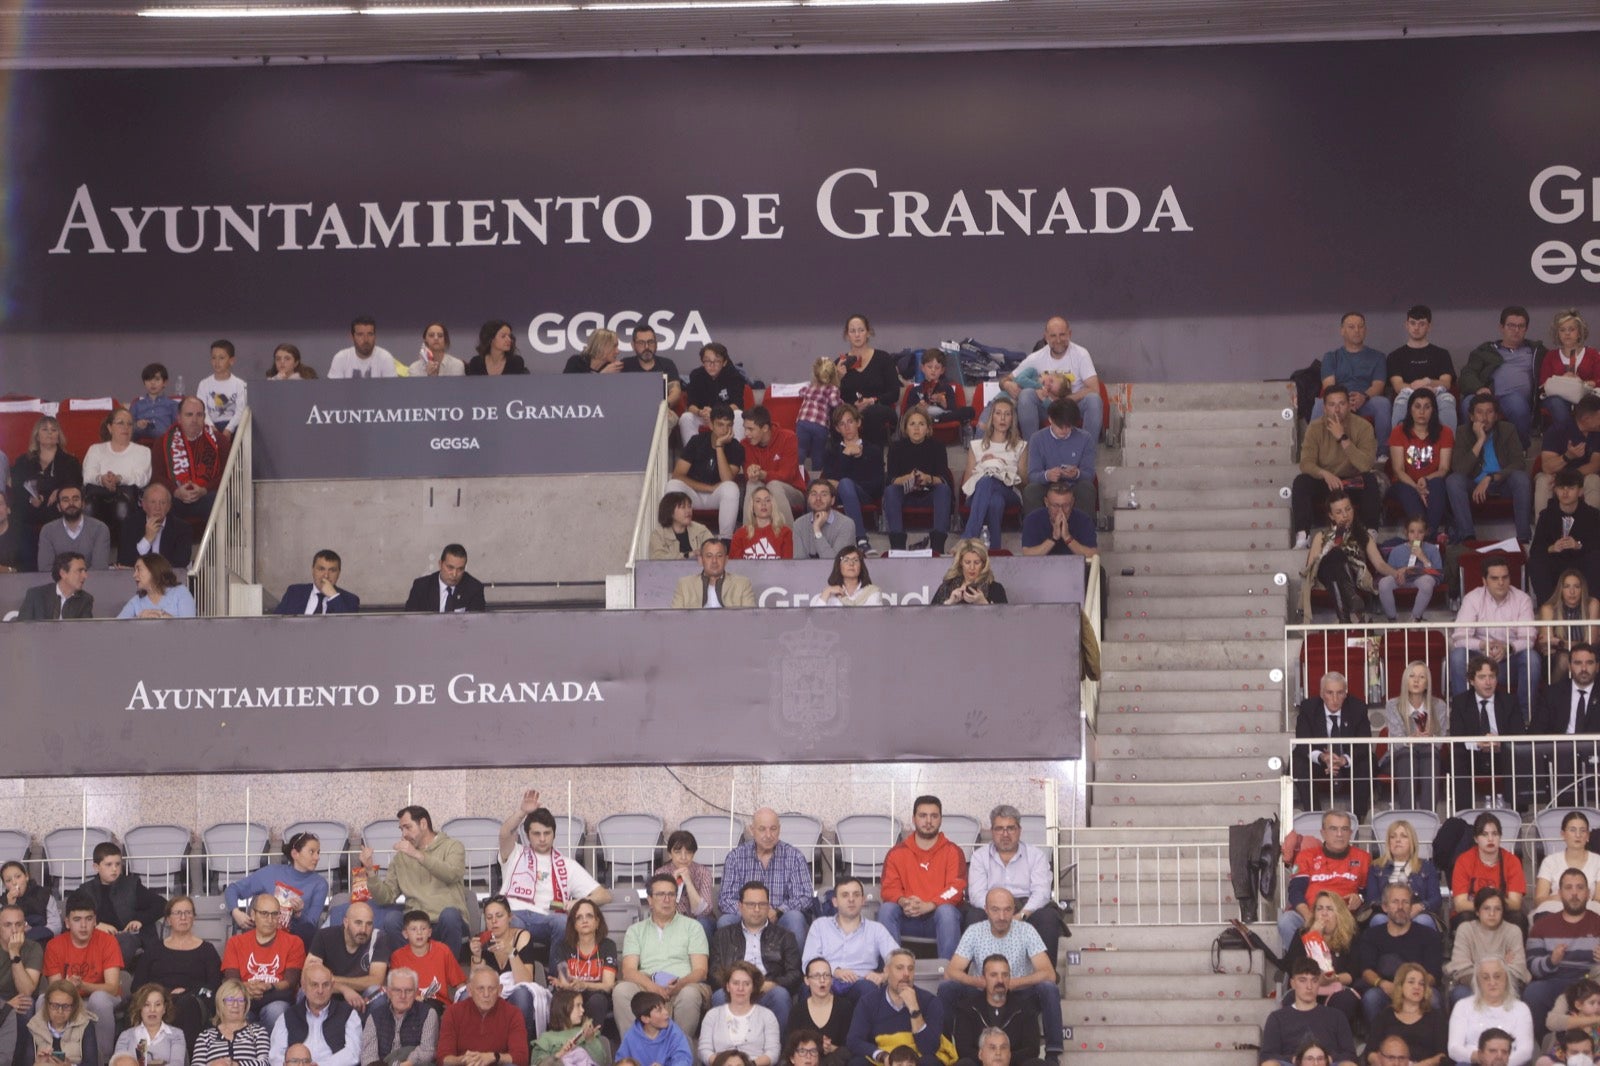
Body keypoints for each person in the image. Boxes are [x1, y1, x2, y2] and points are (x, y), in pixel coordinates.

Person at [935, 890, 1060, 1064]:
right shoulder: (975, 931)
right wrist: (979, 981)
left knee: (1049, 988)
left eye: (1007, 910)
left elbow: (1049, 973)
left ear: (1014, 909)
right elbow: (951, 971)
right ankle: (944, 1051)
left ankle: (1053, 1056)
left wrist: (1014, 983)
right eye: (995, 910)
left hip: (1018, 992)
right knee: (947, 988)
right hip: (982, 991)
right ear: (986, 909)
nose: (1002, 916)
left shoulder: (1026, 930)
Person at [498, 789, 611, 946]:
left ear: (554, 834)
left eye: (547, 833)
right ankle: (519, 963)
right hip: (514, 913)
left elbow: (604, 895)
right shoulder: (514, 853)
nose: (542, 838)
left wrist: (579, 902)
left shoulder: (567, 864)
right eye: (536, 834)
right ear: (527, 835)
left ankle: (556, 963)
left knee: (563, 922)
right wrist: (522, 812)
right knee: (510, 922)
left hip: (546, 918)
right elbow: (504, 833)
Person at [358, 806, 470, 956]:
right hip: (415, 924)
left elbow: (452, 874)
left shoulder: (453, 846)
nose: (404, 834)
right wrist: (370, 871)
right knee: (392, 919)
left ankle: (448, 968)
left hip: (445, 922)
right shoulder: (401, 857)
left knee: (450, 915)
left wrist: (417, 855)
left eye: (408, 827)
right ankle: (409, 966)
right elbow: (386, 897)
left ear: (423, 824)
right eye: (401, 829)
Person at [614, 874, 711, 1037]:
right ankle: (636, 1047)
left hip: (683, 983)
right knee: (621, 990)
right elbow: (628, 971)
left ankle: (678, 1048)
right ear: (650, 900)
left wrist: (679, 985)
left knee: (690, 994)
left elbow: (701, 971)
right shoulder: (636, 930)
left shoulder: (693, 927)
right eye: (660, 894)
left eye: (671, 894)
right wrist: (653, 987)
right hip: (647, 984)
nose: (667, 899)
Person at [1448, 558, 1540, 725]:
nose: (1501, 582)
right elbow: (1459, 637)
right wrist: (1483, 646)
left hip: (1509, 661)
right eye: (1495, 578)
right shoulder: (1472, 598)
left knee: (1531, 658)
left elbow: (1529, 638)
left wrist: (1508, 648)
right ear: (1484, 581)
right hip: (1479, 659)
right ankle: (1464, 717)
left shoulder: (1522, 599)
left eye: (1505, 577)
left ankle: (1524, 720)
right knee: (1458, 656)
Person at [965, 805, 1063, 962]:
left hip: (1027, 908)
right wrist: (998, 913)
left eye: (1010, 828)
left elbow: (1042, 893)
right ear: (992, 831)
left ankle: (1046, 974)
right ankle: (981, 972)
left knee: (1048, 917)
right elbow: (977, 895)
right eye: (999, 829)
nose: (1005, 834)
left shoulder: (1036, 855)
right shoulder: (979, 857)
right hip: (991, 908)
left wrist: (1021, 915)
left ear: (1019, 830)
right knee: (973, 916)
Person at [999, 316, 1102, 463]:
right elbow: (1005, 379)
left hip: (1072, 406)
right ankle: (1032, 456)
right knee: (1027, 394)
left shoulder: (1081, 354)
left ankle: (1087, 458)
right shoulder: (1036, 357)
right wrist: (1007, 384)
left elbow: (1094, 388)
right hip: (1046, 408)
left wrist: (1063, 400)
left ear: (1070, 334)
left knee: (1094, 399)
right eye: (1053, 336)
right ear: (1046, 337)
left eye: (1062, 335)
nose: (1058, 340)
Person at [877, 796, 966, 961]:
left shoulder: (953, 851)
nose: (928, 821)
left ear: (941, 819)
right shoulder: (897, 853)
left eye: (934, 816)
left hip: (938, 919)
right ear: (913, 819)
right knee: (887, 910)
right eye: (923, 815)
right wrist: (903, 901)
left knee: (946, 912)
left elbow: (955, 888)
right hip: (907, 917)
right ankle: (892, 968)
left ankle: (949, 973)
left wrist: (930, 905)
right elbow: (889, 888)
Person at [1292, 386, 1380, 549]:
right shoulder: (1315, 427)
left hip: (1351, 481)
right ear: (1325, 408)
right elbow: (1306, 463)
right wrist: (1324, 474)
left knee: (1370, 480)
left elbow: (1366, 464)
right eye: (1332, 405)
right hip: (1326, 481)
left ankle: (1370, 533)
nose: (1337, 410)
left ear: (1349, 405)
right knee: (1301, 482)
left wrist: (1343, 438)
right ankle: (1303, 535)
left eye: (1341, 404)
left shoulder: (1363, 427)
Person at [1276, 811, 1370, 960]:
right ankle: (1300, 967)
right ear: (1323, 833)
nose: (1339, 834)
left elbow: (1367, 894)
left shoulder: (1363, 857)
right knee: (1286, 921)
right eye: (1333, 829)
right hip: (1310, 914)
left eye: (1344, 829)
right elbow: (1295, 891)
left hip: (1345, 918)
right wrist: (1309, 917)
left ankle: (1343, 968)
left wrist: (1359, 898)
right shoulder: (1306, 856)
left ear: (1351, 833)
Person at [707, 884, 800, 1029]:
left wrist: (773, 984)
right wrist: (736, 985)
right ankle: (728, 1043)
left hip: (768, 989)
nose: (757, 909)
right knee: (720, 996)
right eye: (751, 904)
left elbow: (795, 974)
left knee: (781, 995)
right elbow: (714, 973)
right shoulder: (723, 935)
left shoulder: (785, 936)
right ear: (740, 906)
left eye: (762, 904)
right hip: (735, 989)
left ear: (768, 906)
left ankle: (779, 1044)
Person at [1522, 869, 1600, 1041]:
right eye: (1568, 888)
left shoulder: (1598, 922)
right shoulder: (1542, 925)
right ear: (1560, 893)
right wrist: (1551, 961)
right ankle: (1546, 1044)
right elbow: (1532, 966)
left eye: (1580, 887)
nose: (1574, 893)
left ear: (1588, 893)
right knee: (1533, 992)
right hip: (1555, 981)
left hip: (1591, 982)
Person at [1445, 394, 1533, 545]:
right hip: (1473, 484)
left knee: (1521, 478)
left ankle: (1523, 538)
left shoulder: (1508, 429)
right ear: (1471, 417)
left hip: (1502, 483)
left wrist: (1490, 478)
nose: (1484, 418)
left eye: (1489, 412)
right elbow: (1459, 469)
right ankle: (1468, 537)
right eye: (1479, 412)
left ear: (1496, 416)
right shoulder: (1462, 432)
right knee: (1453, 480)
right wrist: (1480, 440)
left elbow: (1519, 463)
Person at [43, 893, 123, 1061]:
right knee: (42, 1000)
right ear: (67, 922)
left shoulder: (108, 941)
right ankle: (47, 1058)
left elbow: (112, 987)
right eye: (77, 919)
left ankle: (103, 1060)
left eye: (89, 919)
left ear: (95, 921)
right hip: (69, 999)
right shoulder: (54, 945)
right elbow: (55, 989)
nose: (84, 926)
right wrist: (68, 987)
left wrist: (83, 986)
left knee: (99, 999)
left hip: (102, 998)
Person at [717, 811, 815, 943]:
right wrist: (752, 912)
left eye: (773, 829)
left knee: (795, 919)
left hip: (781, 918)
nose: (768, 835)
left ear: (779, 829)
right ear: (752, 830)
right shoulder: (735, 857)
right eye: (762, 829)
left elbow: (805, 897)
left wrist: (779, 911)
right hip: (745, 918)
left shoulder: (794, 856)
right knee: (725, 921)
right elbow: (725, 899)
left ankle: (794, 958)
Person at [1304, 489, 1398, 625]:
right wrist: (1328, 549)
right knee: (1335, 555)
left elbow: (1379, 564)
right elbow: (1311, 567)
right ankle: (1352, 596)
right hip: (1324, 576)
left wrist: (1397, 573)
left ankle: (1344, 619)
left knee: (1336, 572)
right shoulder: (1321, 536)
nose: (1345, 515)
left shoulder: (1364, 535)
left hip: (1353, 574)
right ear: (1331, 516)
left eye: (1348, 509)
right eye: (1339, 512)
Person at [1355, 884, 1443, 1025]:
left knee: (1434, 999)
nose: (1400, 907)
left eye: (1405, 902)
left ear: (1411, 907)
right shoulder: (1371, 935)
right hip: (1385, 989)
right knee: (1372, 998)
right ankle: (1376, 1037)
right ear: (1385, 907)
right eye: (1395, 902)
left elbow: (1433, 974)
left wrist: (1411, 988)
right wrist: (1382, 984)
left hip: (1418, 987)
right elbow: (1366, 971)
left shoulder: (1429, 936)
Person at [225, 832, 330, 949]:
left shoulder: (320, 884)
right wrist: (236, 912)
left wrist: (299, 914)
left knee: (307, 931)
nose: (317, 857)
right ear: (295, 854)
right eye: (311, 852)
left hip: (294, 941)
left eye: (318, 852)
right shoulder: (271, 872)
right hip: (263, 935)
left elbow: (311, 924)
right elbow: (232, 889)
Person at [1292, 672, 1375, 817]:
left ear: (1345, 694)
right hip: (1320, 763)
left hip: (1348, 762)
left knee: (1367, 762)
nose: (1335, 699)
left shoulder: (1358, 707)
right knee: (1298, 762)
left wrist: (1344, 760)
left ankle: (1358, 818)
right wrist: (1323, 757)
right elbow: (1302, 743)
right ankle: (1314, 815)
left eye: (1340, 693)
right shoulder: (1308, 708)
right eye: (1330, 693)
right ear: (1321, 693)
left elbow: (1364, 744)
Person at [801, 877, 898, 1001]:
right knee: (808, 987)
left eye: (856, 895)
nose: (851, 899)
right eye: (845, 895)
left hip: (861, 983)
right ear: (835, 902)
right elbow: (809, 961)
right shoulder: (820, 926)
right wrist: (834, 971)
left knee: (869, 988)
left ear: (863, 900)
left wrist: (883, 976)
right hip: (827, 980)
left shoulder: (876, 929)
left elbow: (898, 959)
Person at [844, 948, 944, 1066]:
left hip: (916, 1060)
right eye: (899, 968)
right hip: (882, 1060)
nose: (906, 974)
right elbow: (854, 1041)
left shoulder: (930, 1001)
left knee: (931, 1062)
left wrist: (914, 1009)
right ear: (886, 971)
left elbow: (930, 1048)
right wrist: (882, 1056)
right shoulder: (868, 1002)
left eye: (910, 969)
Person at [1312, 312, 1393, 459]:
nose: (1357, 330)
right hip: (1339, 401)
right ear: (1342, 330)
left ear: (1365, 330)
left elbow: (1378, 385)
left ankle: (1382, 454)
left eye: (1360, 327)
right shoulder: (1331, 357)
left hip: (1366, 400)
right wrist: (1344, 402)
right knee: (1319, 405)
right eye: (1351, 327)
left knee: (1383, 403)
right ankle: (1314, 452)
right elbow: (1329, 386)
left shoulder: (1378, 357)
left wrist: (1364, 396)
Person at [9, 415, 83, 573]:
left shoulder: (70, 462)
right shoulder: (23, 461)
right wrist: (31, 498)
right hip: (29, 509)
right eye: (45, 429)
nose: (50, 433)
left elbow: (75, 486)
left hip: (56, 509)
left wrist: (60, 491)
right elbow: (17, 488)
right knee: (17, 513)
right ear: (37, 436)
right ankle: (27, 569)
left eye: (53, 430)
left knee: (66, 506)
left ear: (59, 435)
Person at [1462, 306, 1544, 447]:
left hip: (1515, 398)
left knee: (1517, 405)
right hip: (1487, 395)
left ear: (1526, 329)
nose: (1516, 330)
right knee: (1467, 403)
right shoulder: (1485, 351)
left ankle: (1520, 450)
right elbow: (1467, 373)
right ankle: (1471, 450)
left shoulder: (1536, 351)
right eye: (1511, 325)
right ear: (1501, 327)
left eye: (1521, 326)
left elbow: (1555, 364)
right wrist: (1478, 388)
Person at [222, 892, 305, 1031]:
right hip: (244, 997)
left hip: (276, 998)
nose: (270, 919)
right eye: (264, 913)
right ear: (253, 914)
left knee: (276, 1010)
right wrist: (248, 987)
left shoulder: (294, 942)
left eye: (275, 914)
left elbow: (290, 982)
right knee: (235, 1009)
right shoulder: (235, 943)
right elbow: (232, 981)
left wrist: (268, 986)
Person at [467, 897, 546, 1042]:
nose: (494, 921)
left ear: (510, 917)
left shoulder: (522, 936)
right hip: (491, 993)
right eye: (489, 917)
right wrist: (476, 956)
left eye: (499, 916)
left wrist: (511, 952)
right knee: (466, 996)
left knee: (522, 994)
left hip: (516, 992)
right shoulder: (481, 940)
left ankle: (520, 1047)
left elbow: (525, 981)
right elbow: (476, 981)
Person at [1257, 958, 1359, 1066]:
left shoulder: (1337, 1016)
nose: (1309, 986)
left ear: (1319, 983)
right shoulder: (1277, 1018)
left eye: (1314, 981)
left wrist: (1326, 1059)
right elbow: (1267, 1056)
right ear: (1293, 983)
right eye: (1303, 980)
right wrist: (1298, 1059)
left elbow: (1351, 1055)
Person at [665, 404, 745, 540]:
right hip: (694, 494)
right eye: (720, 425)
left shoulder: (736, 447)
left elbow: (727, 480)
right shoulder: (696, 441)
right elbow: (677, 475)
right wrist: (708, 488)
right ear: (711, 425)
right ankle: (677, 537)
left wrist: (719, 446)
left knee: (731, 488)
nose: (725, 430)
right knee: (672, 485)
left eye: (729, 425)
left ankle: (725, 540)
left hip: (717, 496)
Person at [1530, 644, 1600, 796]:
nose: (1583, 668)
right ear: (1569, 666)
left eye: (1589, 663)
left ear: (1597, 666)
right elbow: (1536, 731)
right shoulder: (1552, 693)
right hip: (1559, 758)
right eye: (1578, 663)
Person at [79, 842, 165, 966]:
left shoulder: (131, 885)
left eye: (118, 864)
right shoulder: (86, 890)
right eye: (109, 864)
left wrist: (139, 920)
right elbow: (73, 917)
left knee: (126, 941)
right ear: (96, 867)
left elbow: (161, 904)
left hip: (125, 938)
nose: (114, 869)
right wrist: (95, 925)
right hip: (97, 938)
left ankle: (109, 971)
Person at [959, 397, 1027, 551]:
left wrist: (1001, 466)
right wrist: (985, 467)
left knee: (988, 482)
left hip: (1010, 492)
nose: (1002, 418)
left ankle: (968, 538)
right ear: (992, 417)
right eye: (998, 413)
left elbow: (1024, 484)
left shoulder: (1021, 446)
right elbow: (966, 484)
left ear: (1012, 419)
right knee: (995, 501)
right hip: (978, 494)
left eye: (1007, 414)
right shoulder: (976, 445)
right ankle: (995, 550)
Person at [1379, 666, 1450, 811]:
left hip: (1427, 756)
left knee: (1429, 753)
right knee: (1408, 755)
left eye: (1421, 677)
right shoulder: (1393, 705)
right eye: (1412, 676)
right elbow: (1397, 743)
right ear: (1405, 680)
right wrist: (1412, 739)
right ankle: (1408, 814)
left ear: (1427, 683)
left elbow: (1439, 743)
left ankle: (1429, 815)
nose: (1416, 680)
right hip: (1398, 757)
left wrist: (1429, 738)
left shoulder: (1439, 706)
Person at [946, 957, 1039, 1066]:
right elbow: (963, 1049)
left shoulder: (1025, 1008)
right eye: (994, 975)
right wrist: (989, 1059)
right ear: (984, 978)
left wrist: (1003, 1058)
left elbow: (1032, 1049)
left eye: (1005, 975)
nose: (1000, 980)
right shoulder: (967, 1008)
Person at [1387, 389, 1454, 540]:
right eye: (1417, 406)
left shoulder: (1445, 432)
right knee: (1408, 492)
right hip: (1404, 483)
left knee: (1437, 483)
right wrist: (1416, 487)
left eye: (1427, 407)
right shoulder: (1398, 431)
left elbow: (1444, 469)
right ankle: (1427, 538)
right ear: (1410, 409)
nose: (1421, 412)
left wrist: (1425, 479)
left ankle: (1427, 536)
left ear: (1433, 410)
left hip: (1431, 482)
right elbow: (1398, 470)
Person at [882, 408, 950, 554]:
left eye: (921, 424)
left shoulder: (938, 447)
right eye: (912, 424)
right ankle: (898, 547)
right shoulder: (896, 448)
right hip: (905, 495)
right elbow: (890, 480)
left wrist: (928, 478)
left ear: (928, 428)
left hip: (929, 495)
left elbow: (944, 479)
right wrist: (907, 479)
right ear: (906, 428)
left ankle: (938, 547)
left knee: (943, 490)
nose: (917, 428)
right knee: (891, 491)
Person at [1445, 889, 1529, 1006]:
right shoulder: (1465, 929)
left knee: (1516, 993)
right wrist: (1502, 967)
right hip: (1472, 986)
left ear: (1503, 912)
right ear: (1477, 911)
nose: (1492, 914)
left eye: (1497, 909)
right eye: (1486, 908)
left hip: (1505, 987)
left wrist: (1479, 969)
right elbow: (1461, 970)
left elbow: (1518, 971)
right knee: (1460, 993)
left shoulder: (1513, 931)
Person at [81, 407, 151, 545]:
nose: (126, 427)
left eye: (129, 424)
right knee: (88, 506)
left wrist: (119, 479)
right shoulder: (96, 449)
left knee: (121, 505)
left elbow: (142, 479)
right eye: (120, 423)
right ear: (110, 427)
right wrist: (102, 479)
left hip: (128, 497)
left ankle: (124, 554)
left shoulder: (143, 451)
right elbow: (88, 475)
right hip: (97, 494)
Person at [1530, 468, 1600, 604]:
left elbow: (1596, 544)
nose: (1565, 492)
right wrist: (1552, 548)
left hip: (1581, 562)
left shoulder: (1593, 515)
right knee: (1536, 562)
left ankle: (1592, 607)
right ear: (1555, 490)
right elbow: (1536, 549)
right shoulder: (1546, 515)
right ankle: (1547, 608)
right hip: (1556, 562)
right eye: (1561, 487)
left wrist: (1578, 545)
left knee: (1596, 559)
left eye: (1571, 488)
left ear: (1580, 491)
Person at [547, 898, 617, 1033]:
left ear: (597, 922)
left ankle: (591, 1039)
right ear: (574, 924)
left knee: (598, 1000)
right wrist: (564, 984)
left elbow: (608, 985)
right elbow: (566, 982)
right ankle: (565, 1040)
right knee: (565, 999)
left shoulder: (608, 946)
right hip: (572, 994)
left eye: (589, 916)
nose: (584, 920)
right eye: (579, 917)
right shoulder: (563, 947)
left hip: (597, 995)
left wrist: (584, 984)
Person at [157, 397, 230, 526]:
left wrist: (205, 490)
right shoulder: (163, 442)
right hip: (175, 498)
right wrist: (176, 491)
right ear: (179, 418)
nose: (194, 420)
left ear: (204, 417)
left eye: (199, 415)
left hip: (207, 496)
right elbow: (157, 476)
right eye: (189, 415)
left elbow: (228, 474)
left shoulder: (219, 441)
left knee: (219, 500)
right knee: (160, 499)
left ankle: (218, 540)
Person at [822, 404, 884, 554]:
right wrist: (846, 455)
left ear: (858, 422)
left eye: (850, 421)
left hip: (865, 495)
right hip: (837, 497)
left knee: (845, 484)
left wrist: (849, 485)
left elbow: (878, 485)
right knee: (820, 488)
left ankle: (861, 539)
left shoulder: (873, 450)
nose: (847, 427)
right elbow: (828, 482)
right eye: (842, 424)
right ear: (837, 429)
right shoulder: (832, 452)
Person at [1447, 959, 1533, 1066]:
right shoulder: (1462, 1006)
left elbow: (1525, 1051)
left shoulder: (1521, 1009)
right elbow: (1454, 1048)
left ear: (1506, 978)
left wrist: (1499, 1062)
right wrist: (1481, 1058)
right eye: (1485, 978)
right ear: (1478, 981)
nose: (1492, 982)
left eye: (1497, 976)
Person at [439, 965, 529, 1066]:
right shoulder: (453, 1012)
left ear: (499, 990)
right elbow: (443, 1059)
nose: (486, 994)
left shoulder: (513, 1014)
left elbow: (521, 1058)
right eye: (480, 989)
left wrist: (493, 1057)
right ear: (469, 990)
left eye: (491, 989)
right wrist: (463, 1060)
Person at [305, 900, 385, 1012]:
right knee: (304, 992)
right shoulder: (324, 936)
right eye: (358, 923)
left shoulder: (379, 938)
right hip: (328, 995)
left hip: (362, 1000)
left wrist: (332, 980)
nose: (363, 930)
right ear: (346, 922)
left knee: (376, 991)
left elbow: (376, 981)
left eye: (369, 924)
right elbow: (307, 976)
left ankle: (369, 1024)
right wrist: (343, 989)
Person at [834, 316, 901, 447]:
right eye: (852, 331)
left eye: (861, 330)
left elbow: (894, 393)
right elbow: (834, 398)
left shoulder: (883, 358)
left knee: (872, 413)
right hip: (851, 411)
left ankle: (873, 456)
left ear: (868, 332)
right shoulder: (840, 363)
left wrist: (871, 401)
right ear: (847, 335)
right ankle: (843, 454)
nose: (857, 335)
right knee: (839, 416)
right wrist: (838, 379)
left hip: (879, 408)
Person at [1364, 820, 1443, 931]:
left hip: (1417, 913)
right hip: (1387, 913)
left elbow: (1436, 899)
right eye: (1393, 837)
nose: (1398, 840)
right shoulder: (1376, 867)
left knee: (1423, 921)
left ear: (1412, 841)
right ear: (1388, 842)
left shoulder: (1426, 866)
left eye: (1404, 836)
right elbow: (1372, 899)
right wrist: (1392, 909)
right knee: (1378, 920)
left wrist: (1420, 906)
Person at [698, 962, 780, 1066]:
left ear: (753, 987)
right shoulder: (712, 1015)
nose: (740, 988)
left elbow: (773, 1053)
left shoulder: (767, 1016)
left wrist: (749, 1064)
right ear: (728, 986)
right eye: (735, 983)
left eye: (746, 984)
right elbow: (704, 1050)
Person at [1021, 399, 1094, 516]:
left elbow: (1089, 474)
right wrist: (1047, 475)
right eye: (1060, 426)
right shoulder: (1037, 438)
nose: (1064, 430)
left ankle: (1083, 527)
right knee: (1031, 490)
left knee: (1086, 488)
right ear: (1050, 419)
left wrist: (1077, 474)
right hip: (1047, 486)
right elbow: (1032, 475)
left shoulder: (1085, 438)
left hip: (1073, 486)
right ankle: (1037, 527)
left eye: (1068, 426)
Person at [1451, 815, 1528, 927]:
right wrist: (1486, 906)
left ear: (1500, 837)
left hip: (1502, 912)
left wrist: (1494, 907)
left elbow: (1515, 903)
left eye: (1495, 834)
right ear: (1476, 839)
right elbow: (1460, 904)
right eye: (1484, 834)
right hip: (1473, 912)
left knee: (1518, 918)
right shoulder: (1463, 861)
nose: (1490, 839)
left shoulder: (1512, 861)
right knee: (1464, 918)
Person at [1389, 304, 1457, 428]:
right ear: (1406, 325)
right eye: (1412, 323)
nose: (1416, 328)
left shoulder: (1442, 354)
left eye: (1421, 324)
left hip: (1436, 393)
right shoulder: (1395, 356)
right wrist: (1418, 388)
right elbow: (1398, 386)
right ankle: (1397, 441)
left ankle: (1448, 440)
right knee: (1400, 401)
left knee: (1448, 400)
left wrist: (1428, 381)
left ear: (1429, 327)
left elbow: (1446, 383)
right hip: (1408, 393)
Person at [1365, 963, 1447, 1066]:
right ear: (1400, 985)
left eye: (1421, 984)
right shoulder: (1385, 1016)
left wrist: (1421, 1065)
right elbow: (1370, 1052)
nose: (1417, 987)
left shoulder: (1435, 1018)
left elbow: (1443, 1055)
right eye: (1411, 982)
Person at [1534, 394, 1600, 520]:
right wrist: (1568, 456)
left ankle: (1591, 528)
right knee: (1543, 481)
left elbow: (1595, 465)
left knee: (1594, 480)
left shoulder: (1597, 433)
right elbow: (1547, 467)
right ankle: (1541, 528)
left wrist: (1570, 476)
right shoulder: (1557, 430)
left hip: (1582, 476)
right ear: (1586, 419)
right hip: (1556, 476)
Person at [359, 967, 438, 1066]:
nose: (403, 996)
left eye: (408, 991)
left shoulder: (428, 1013)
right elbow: (368, 1057)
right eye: (397, 990)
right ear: (388, 992)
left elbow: (427, 1052)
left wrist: (405, 1064)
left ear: (415, 993)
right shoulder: (375, 1016)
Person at [1540, 310, 1600, 440]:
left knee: (1589, 406)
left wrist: (1587, 383)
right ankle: (1575, 442)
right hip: (1558, 398)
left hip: (1586, 396)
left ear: (1579, 333)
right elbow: (1543, 384)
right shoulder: (1551, 356)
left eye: (1571, 329)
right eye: (1562, 330)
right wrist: (1562, 379)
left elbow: (1599, 379)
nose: (1567, 333)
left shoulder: (1592, 354)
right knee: (1557, 405)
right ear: (1558, 334)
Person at [742, 407, 807, 527]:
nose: (746, 434)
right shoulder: (745, 444)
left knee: (774, 485)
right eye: (745, 428)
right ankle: (747, 534)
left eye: (750, 429)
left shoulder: (788, 437)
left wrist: (764, 475)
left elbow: (787, 475)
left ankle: (789, 536)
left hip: (793, 491)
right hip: (763, 490)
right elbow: (748, 472)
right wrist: (751, 472)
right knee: (752, 484)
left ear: (765, 428)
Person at [390, 910, 464, 1009]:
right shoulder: (398, 956)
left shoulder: (443, 950)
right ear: (405, 934)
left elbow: (460, 984)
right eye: (413, 929)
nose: (419, 933)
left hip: (438, 1004)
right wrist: (414, 999)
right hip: (410, 1005)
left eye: (423, 929)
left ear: (429, 932)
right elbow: (395, 990)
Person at [1377, 517, 1444, 623]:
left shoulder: (1432, 549)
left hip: (1421, 579)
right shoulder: (1397, 550)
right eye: (1412, 532)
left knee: (1427, 583)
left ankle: (1416, 618)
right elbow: (1389, 571)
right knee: (1383, 583)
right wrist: (1398, 574)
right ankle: (1392, 619)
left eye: (1420, 532)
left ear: (1425, 533)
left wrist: (1423, 558)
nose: (1416, 536)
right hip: (1401, 579)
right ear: (1406, 532)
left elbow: (1438, 574)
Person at [1532, 813, 1600, 917]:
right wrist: (1560, 898)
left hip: (1588, 910)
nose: (1578, 835)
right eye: (1572, 830)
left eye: (1582, 830)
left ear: (1587, 836)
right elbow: (1539, 900)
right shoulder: (1550, 861)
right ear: (1563, 834)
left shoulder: (1598, 861)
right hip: (1554, 910)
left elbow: (1598, 899)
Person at [192, 977, 270, 1066]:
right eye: (230, 1000)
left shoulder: (258, 1032)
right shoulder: (206, 1036)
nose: (235, 1005)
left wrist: (236, 1064)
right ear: (220, 1003)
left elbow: (265, 1062)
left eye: (240, 1000)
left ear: (246, 1004)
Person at [1538, 570, 1600, 681]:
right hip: (1556, 659)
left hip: (1588, 653)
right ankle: (1553, 692)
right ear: (1560, 590)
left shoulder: (1592, 604)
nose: (1572, 591)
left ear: (1582, 589)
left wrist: (1560, 643)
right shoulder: (1549, 608)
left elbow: (1592, 642)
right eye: (1567, 587)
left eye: (1577, 587)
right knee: (1564, 659)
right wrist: (1578, 643)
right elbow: (1547, 646)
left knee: (1587, 659)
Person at [681, 343, 748, 445]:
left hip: (725, 416)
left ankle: (736, 450)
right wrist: (700, 412)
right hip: (704, 417)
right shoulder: (696, 375)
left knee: (738, 415)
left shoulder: (734, 375)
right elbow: (691, 405)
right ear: (702, 362)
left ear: (724, 362)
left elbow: (736, 404)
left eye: (716, 361)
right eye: (707, 361)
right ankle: (691, 452)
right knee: (686, 418)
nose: (712, 365)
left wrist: (715, 413)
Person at [36, 485, 112, 572]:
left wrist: (76, 577)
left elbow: (99, 568)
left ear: (83, 504)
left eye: (75, 499)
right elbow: (45, 569)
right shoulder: (47, 531)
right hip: (59, 580)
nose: (71, 503)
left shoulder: (100, 529)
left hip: (92, 580)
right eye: (65, 500)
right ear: (58, 507)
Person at [118, 482, 192, 570]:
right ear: (144, 505)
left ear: (169, 507)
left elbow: (180, 564)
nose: (158, 508)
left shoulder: (182, 529)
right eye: (153, 502)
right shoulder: (130, 525)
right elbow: (125, 562)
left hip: (167, 578)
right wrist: (147, 539)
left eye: (163, 503)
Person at [792, 961, 853, 1065]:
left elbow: (852, 1048)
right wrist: (812, 1049)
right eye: (816, 976)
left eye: (826, 975)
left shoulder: (845, 1007)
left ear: (832, 979)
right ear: (807, 980)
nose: (822, 980)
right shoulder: (797, 1010)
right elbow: (791, 1046)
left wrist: (831, 1048)